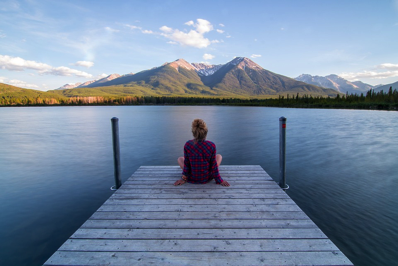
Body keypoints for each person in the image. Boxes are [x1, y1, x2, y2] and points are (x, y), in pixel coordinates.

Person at [174, 119, 230, 187]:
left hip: (192, 177)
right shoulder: (211, 145)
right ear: (206, 132)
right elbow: (214, 165)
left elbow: (187, 164)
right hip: (207, 177)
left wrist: (183, 178)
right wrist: (219, 180)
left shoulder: (188, 145)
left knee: (180, 159)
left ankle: (187, 176)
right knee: (219, 156)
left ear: (193, 132)